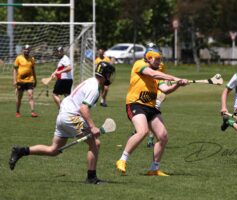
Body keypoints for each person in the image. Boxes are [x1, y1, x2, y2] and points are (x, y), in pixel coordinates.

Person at [9, 62, 116, 184]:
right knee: (95, 143)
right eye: (109, 74)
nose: (110, 77)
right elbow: (83, 108)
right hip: (71, 116)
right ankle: (91, 178)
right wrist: (92, 126)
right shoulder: (94, 87)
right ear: (104, 74)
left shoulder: (90, 81)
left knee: (54, 150)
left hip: (62, 115)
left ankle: (20, 151)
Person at [116, 48, 189, 176]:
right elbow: (152, 74)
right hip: (136, 103)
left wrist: (177, 84)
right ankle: (122, 160)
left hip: (151, 107)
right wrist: (176, 78)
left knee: (163, 136)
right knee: (143, 131)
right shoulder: (139, 64)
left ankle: (154, 169)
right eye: (157, 59)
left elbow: (165, 89)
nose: (159, 62)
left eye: (160, 59)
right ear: (149, 58)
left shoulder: (158, 72)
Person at [13, 44, 38, 118]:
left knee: (30, 95)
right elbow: (15, 70)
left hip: (29, 80)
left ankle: (33, 112)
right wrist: (14, 80)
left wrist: (35, 80)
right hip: (20, 81)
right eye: (25, 49)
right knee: (19, 97)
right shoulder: (18, 58)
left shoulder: (32, 59)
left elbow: (33, 70)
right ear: (23, 50)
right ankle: (17, 111)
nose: (26, 50)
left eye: (28, 49)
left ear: (29, 50)